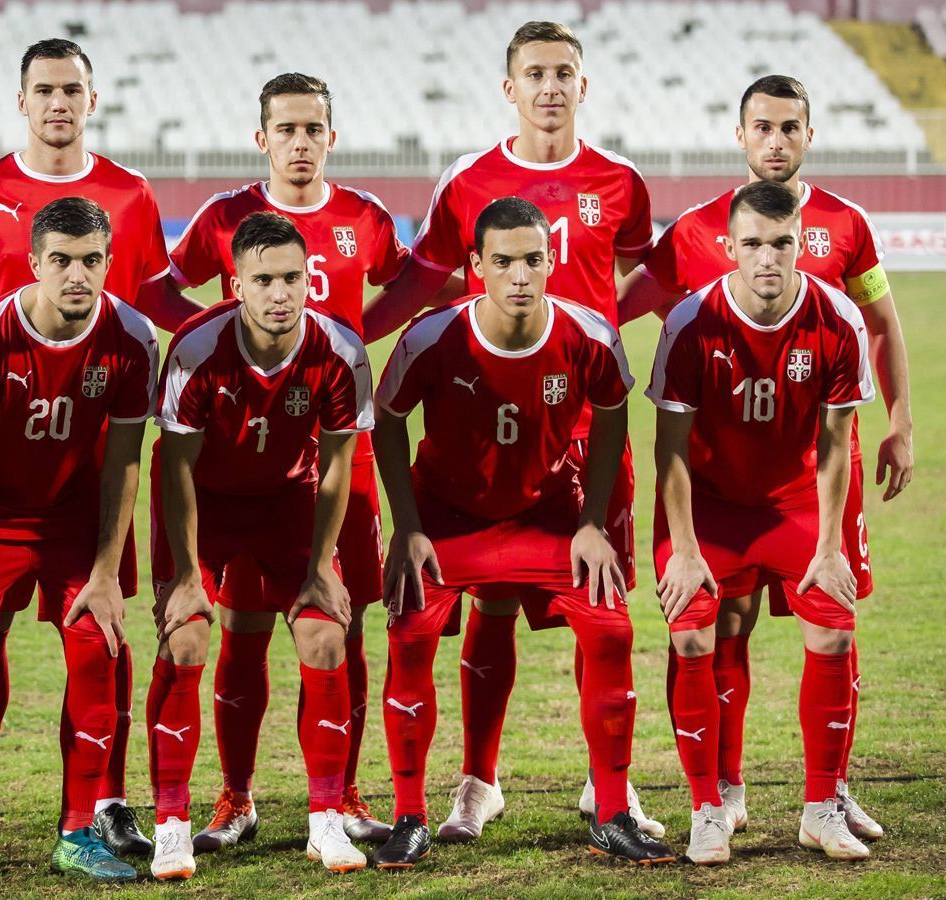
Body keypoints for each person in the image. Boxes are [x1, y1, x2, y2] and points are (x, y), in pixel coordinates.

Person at [363, 20, 665, 840]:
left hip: (576, 419)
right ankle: (477, 782)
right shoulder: (469, 180)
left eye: (565, 71)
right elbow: (426, 278)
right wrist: (348, 336)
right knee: (488, 610)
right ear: (510, 87)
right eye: (534, 73)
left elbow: (645, 277)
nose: (550, 86)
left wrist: (608, 332)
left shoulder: (620, 179)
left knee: (598, 601)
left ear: (583, 83)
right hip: (479, 432)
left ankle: (611, 790)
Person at [0, 37, 194, 855]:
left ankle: (100, 808)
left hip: (85, 462)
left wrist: (236, 330)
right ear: (21, 101)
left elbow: (153, 300)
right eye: (45, 89)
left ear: (93, 100)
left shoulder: (131, 196)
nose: (60, 102)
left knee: (103, 633)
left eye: (73, 88)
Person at [623, 75, 912, 841]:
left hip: (815, 469)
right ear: (741, 135)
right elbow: (626, 299)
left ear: (810, 134)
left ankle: (832, 790)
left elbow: (879, 323)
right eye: (763, 127)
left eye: (790, 127)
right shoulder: (692, 232)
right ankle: (720, 787)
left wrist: (902, 421)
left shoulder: (845, 226)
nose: (777, 141)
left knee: (833, 610)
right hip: (720, 471)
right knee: (726, 623)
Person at [167, 72, 411, 846]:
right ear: (261, 137)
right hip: (243, 443)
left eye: (313, 129)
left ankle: (342, 794)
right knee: (238, 623)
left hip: (339, 438)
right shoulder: (224, 217)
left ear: (331, 137)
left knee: (343, 617)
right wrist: (217, 350)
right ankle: (234, 796)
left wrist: (356, 341)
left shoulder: (365, 218)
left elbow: (405, 290)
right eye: (286, 129)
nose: (300, 143)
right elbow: (165, 290)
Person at [0, 198, 158, 886]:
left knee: (97, 648)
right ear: (33, 263)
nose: (77, 275)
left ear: (109, 263)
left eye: (91, 260)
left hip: (74, 521)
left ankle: (78, 833)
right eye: (60, 260)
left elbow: (123, 457)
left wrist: (107, 571)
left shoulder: (133, 338)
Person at [648, 181, 875, 864]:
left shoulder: (837, 318)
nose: (768, 258)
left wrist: (831, 546)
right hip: (710, 508)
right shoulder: (690, 323)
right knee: (692, 636)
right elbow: (671, 451)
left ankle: (821, 807)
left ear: (800, 243)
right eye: (753, 244)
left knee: (833, 629)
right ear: (730, 248)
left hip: (794, 502)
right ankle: (707, 809)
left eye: (781, 243)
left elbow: (836, 446)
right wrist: (684, 552)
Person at [147, 211, 374, 879]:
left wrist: (321, 564)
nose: (281, 293)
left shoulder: (341, 349)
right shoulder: (195, 348)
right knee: (186, 636)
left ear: (310, 280)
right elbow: (175, 467)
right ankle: (171, 825)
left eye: (293, 278)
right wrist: (187, 572)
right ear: (236, 284)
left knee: (327, 636)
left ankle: (326, 824)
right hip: (205, 506)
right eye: (264, 279)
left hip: (287, 503)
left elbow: (337, 464)